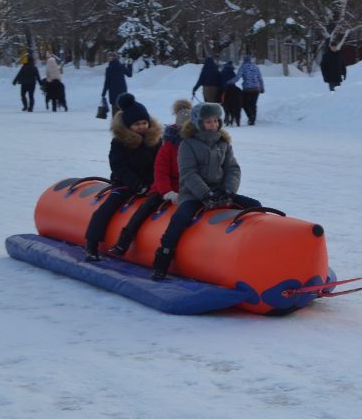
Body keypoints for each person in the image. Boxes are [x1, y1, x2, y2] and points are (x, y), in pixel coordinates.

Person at [151, 102, 260, 280]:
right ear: (199, 123)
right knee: (180, 219)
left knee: (254, 206)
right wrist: (205, 194)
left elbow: (233, 168)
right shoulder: (187, 144)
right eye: (209, 122)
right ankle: (162, 259)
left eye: (216, 121)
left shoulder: (223, 143)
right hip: (194, 194)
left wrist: (228, 190)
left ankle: (254, 249)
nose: (214, 125)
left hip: (220, 193)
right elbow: (188, 173)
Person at [105, 99, 192, 257]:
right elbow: (160, 171)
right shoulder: (168, 146)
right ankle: (123, 241)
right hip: (162, 187)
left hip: (190, 189)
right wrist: (165, 191)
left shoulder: (199, 146)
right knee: (146, 207)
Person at [84, 93, 162, 261]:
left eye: (144, 123)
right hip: (125, 183)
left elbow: (160, 164)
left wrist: (155, 183)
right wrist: (136, 184)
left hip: (151, 184)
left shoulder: (155, 140)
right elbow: (119, 166)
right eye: (137, 124)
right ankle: (91, 243)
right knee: (107, 208)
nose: (141, 127)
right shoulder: (120, 142)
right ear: (128, 126)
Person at [237, 55, 264, 125]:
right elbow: (260, 78)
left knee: (245, 104)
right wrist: (262, 88)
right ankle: (253, 119)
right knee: (253, 104)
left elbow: (237, 77)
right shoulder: (255, 67)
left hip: (247, 89)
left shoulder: (243, 67)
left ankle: (250, 117)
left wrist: (229, 82)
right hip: (256, 89)